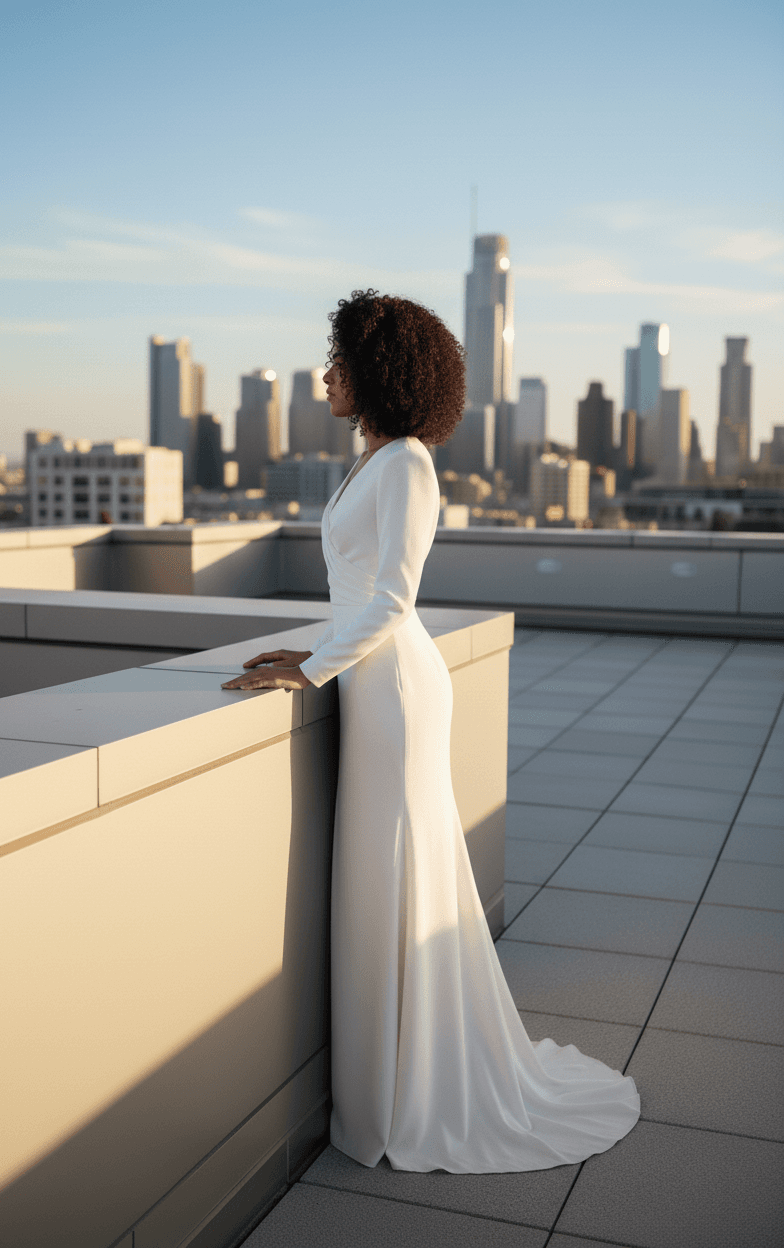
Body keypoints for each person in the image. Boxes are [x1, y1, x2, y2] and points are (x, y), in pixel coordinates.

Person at [222, 290, 640, 1173]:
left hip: (398, 692)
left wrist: (313, 667)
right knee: (385, 872)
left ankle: (413, 1089)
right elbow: (359, 593)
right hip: (371, 679)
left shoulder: (408, 462)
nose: (326, 375)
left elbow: (394, 599)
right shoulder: (372, 460)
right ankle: (388, 1081)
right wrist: (317, 644)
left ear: (375, 371)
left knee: (398, 867)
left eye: (339, 361)